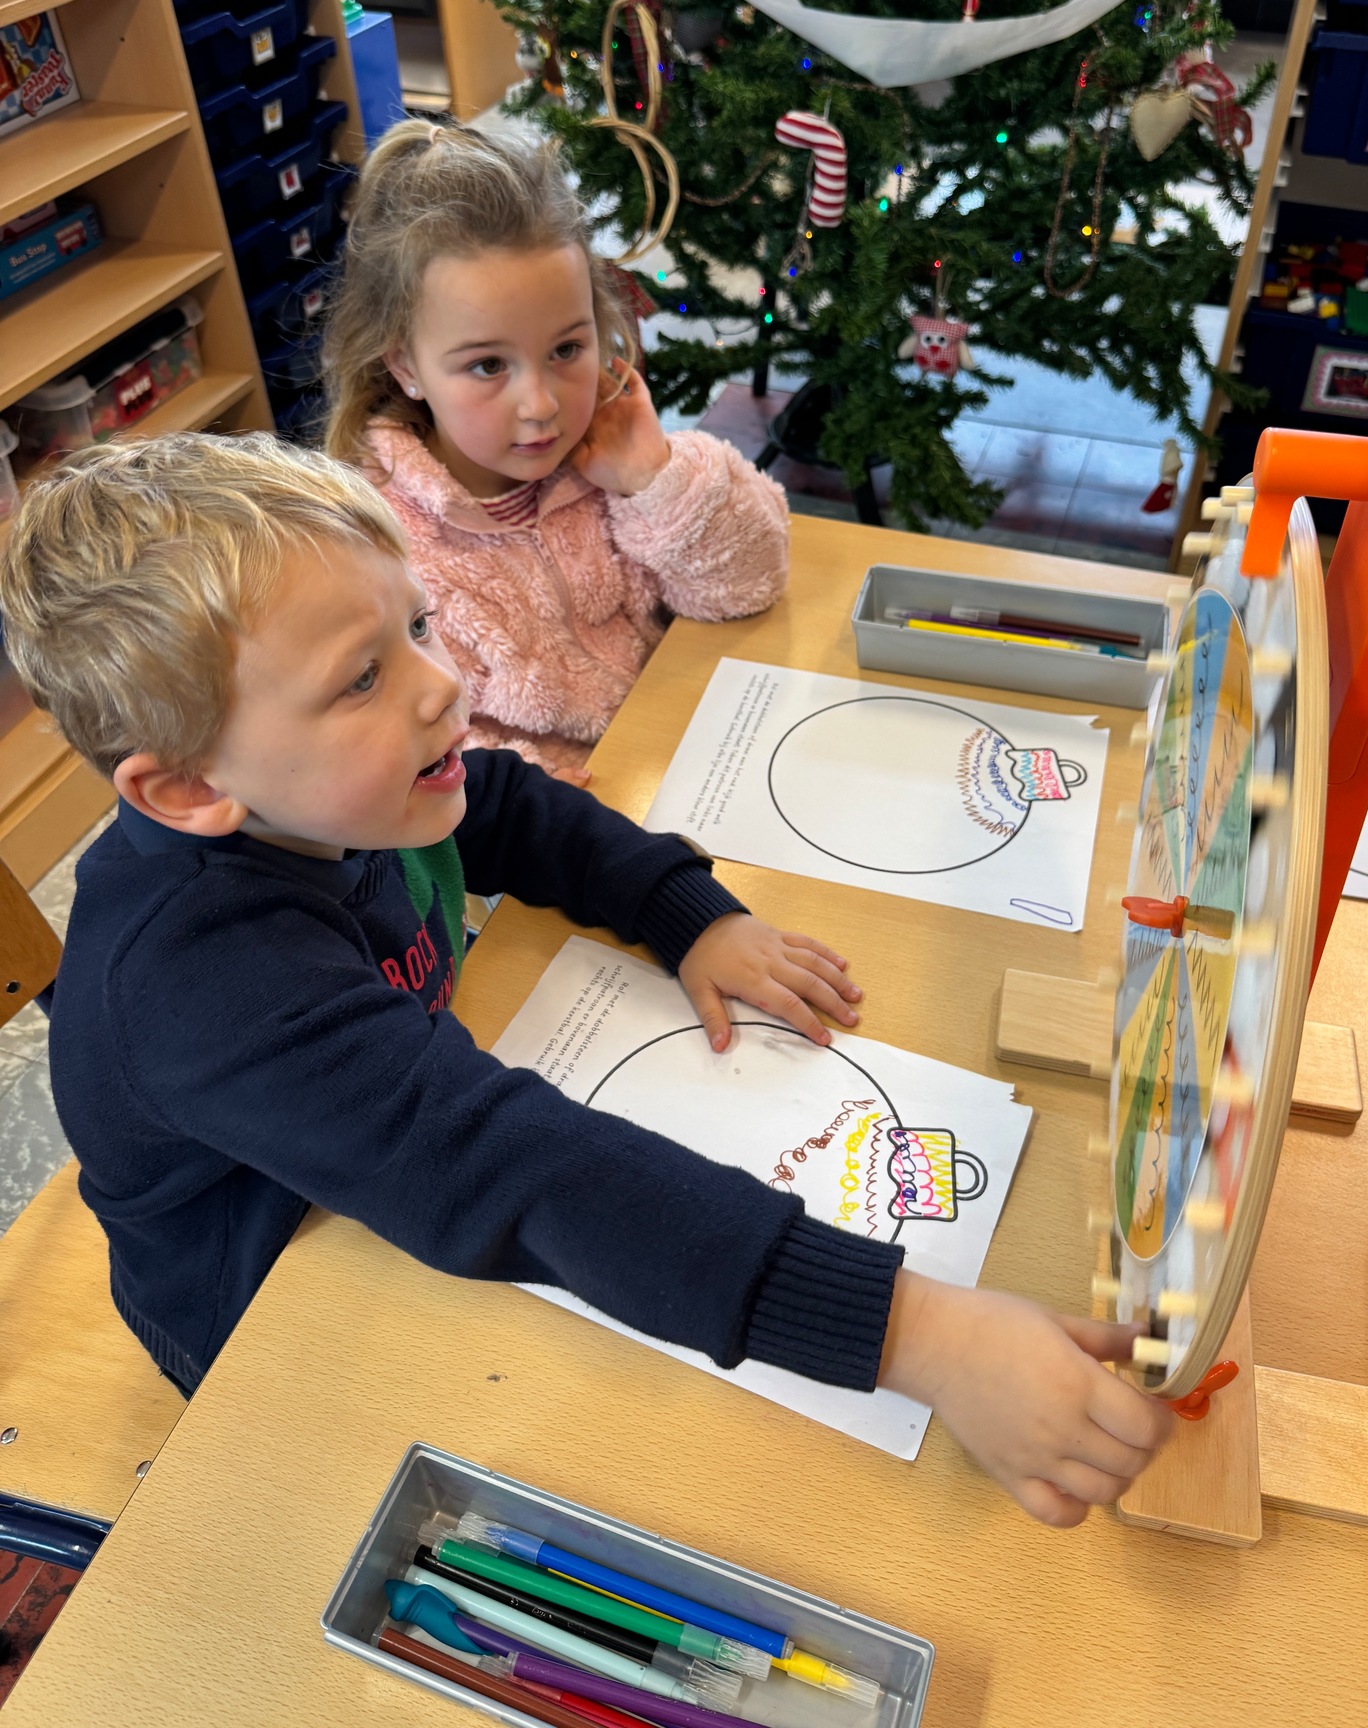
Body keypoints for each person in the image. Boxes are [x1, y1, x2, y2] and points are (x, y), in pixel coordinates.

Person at [0, 433, 1171, 1526]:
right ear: (189, 788)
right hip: (267, 1301)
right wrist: (922, 1337)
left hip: (389, 1174)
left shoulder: (347, 789)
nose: (439, 685)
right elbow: (504, 1164)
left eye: (417, 623)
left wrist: (683, 914)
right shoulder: (197, 980)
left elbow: (511, 806)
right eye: (360, 678)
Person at [322, 117, 790, 783]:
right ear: (405, 366)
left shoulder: (615, 466)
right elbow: (431, 759)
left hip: (695, 754)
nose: (541, 404)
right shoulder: (380, 557)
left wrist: (655, 477)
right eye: (488, 366)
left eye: (567, 349)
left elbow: (751, 584)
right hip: (573, 821)